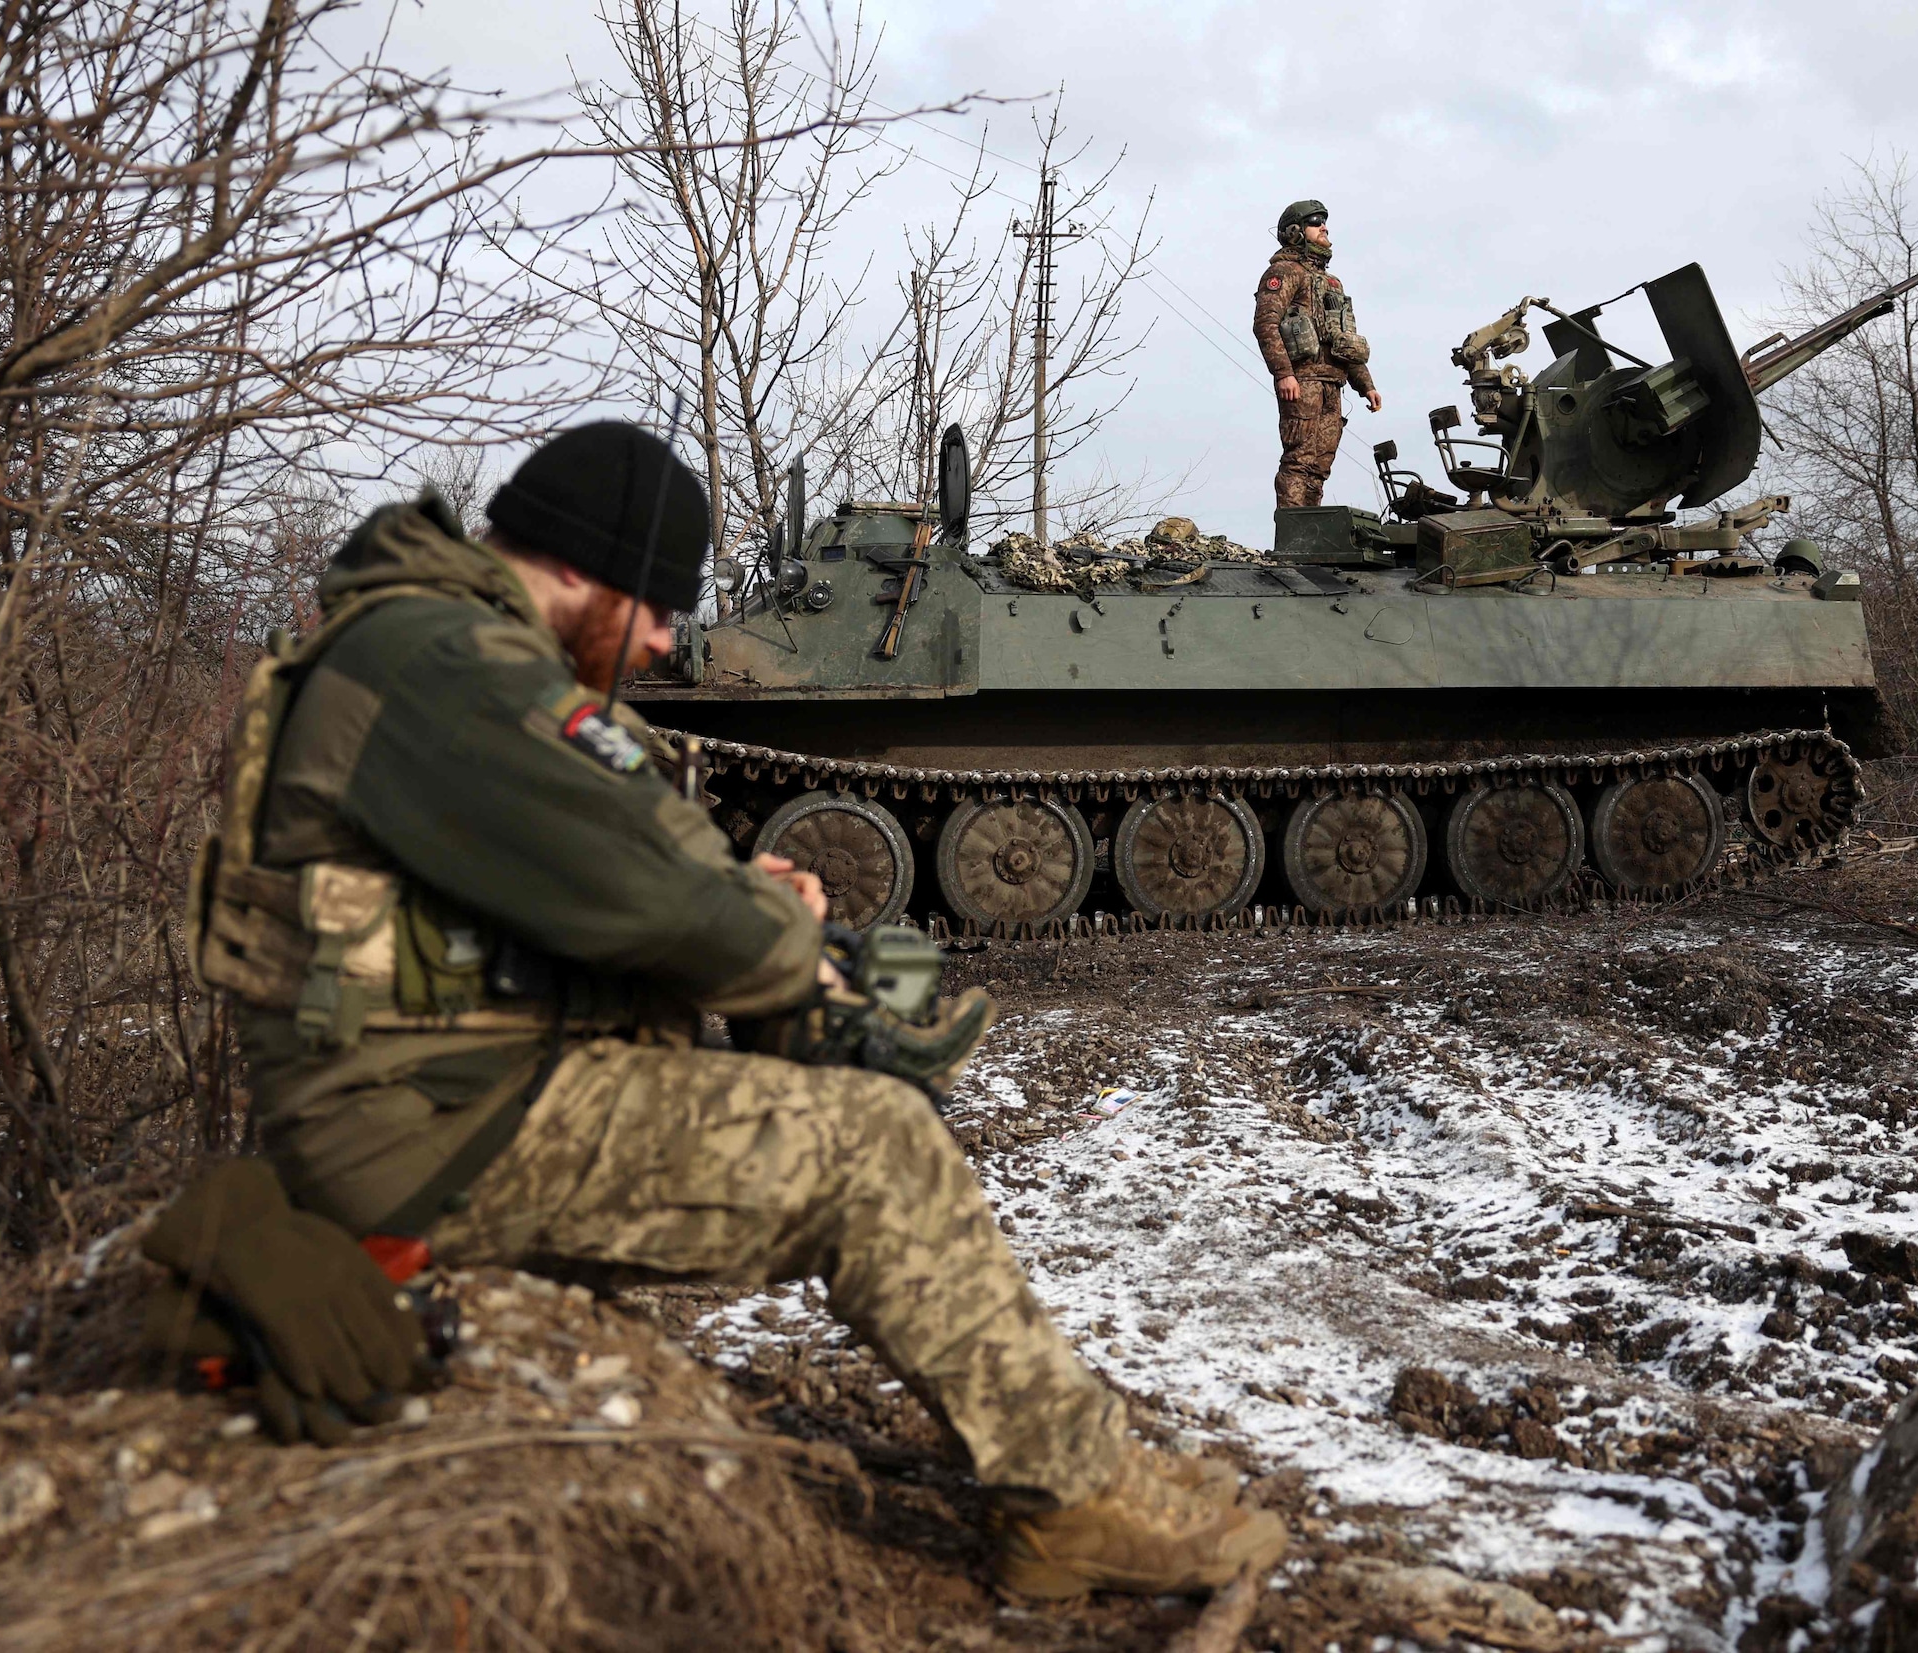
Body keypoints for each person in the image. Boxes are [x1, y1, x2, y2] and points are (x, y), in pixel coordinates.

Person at [169, 420, 1285, 1598]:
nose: (657, 639)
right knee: (878, 1147)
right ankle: (1073, 1502)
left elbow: (564, 877)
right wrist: (792, 955)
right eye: (653, 604)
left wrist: (735, 899)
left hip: (432, 1099)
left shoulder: (417, 648)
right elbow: (646, 896)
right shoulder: (446, 663)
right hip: (428, 1132)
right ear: (582, 566)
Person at [1252, 200, 1384, 509]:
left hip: (1332, 384)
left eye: (1324, 222)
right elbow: (1266, 324)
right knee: (1299, 460)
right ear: (1295, 232)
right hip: (1303, 382)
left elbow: (1344, 339)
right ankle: (1292, 540)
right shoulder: (1284, 272)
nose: (1324, 227)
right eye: (1315, 222)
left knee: (1320, 466)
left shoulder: (1331, 283)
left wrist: (1366, 385)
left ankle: (1311, 537)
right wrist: (1284, 373)